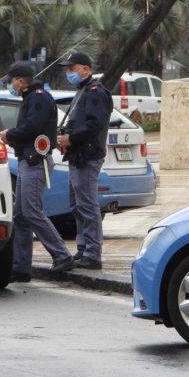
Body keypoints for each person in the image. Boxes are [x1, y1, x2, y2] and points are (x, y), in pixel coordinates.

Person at [0, 61, 75, 283]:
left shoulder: (38, 98)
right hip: (28, 159)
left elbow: (32, 127)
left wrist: (10, 134)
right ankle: (21, 268)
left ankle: (62, 255)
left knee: (31, 211)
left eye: (12, 81)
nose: (11, 85)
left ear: (21, 81)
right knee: (21, 216)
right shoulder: (32, 97)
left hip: (35, 161)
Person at [56, 51, 113, 270]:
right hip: (77, 155)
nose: (69, 73)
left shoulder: (95, 92)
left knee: (87, 205)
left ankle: (93, 253)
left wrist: (71, 138)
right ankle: (83, 249)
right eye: (67, 69)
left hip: (87, 156)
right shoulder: (83, 91)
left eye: (72, 68)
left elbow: (94, 125)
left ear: (85, 69)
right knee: (77, 204)